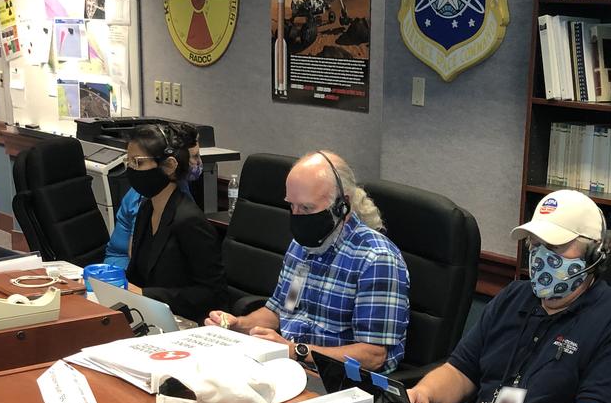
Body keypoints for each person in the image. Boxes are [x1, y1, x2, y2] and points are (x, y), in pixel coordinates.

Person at [408, 190, 611, 403]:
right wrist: (424, 393)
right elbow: (460, 370)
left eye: (554, 247)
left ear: (594, 254)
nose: (539, 257)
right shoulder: (514, 296)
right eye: (534, 244)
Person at [205, 151, 409, 372]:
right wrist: (238, 325)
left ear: (343, 206)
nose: (297, 216)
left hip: (341, 382)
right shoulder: (303, 246)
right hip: (290, 368)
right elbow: (282, 311)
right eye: (291, 206)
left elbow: (373, 355)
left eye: (306, 208)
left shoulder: (376, 259)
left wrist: (294, 350)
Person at [122, 123, 227, 324]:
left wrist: (145, 294)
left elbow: (212, 294)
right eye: (129, 162)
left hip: (187, 323)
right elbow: (137, 275)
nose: (131, 169)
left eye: (138, 162)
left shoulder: (190, 220)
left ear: (169, 166)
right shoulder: (147, 208)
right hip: (149, 317)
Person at [105, 123, 200, 270]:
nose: (196, 163)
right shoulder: (146, 203)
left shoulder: (187, 213)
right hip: (122, 267)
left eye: (137, 162)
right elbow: (136, 257)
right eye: (193, 157)